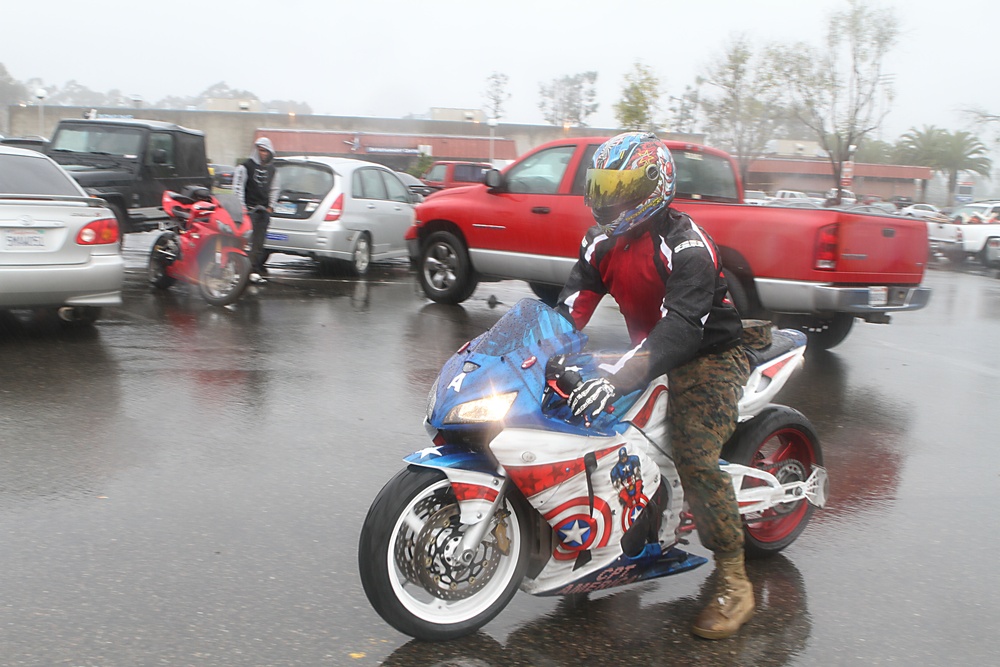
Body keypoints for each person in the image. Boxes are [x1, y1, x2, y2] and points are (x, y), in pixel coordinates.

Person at [555, 132, 753, 640]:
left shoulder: (688, 247)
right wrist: (534, 354)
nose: (605, 199)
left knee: (695, 456)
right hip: (650, 350)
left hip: (709, 355)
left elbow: (682, 328)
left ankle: (733, 576)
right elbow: (570, 308)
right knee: (572, 413)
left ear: (652, 188)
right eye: (600, 186)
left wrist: (617, 376)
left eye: (618, 188)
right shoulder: (599, 241)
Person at [232, 137, 278, 284]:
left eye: (265, 151)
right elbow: (237, 188)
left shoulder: (272, 170)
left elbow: (275, 188)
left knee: (258, 245)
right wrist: (242, 209)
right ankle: (239, 271)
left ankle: (252, 270)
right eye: (260, 150)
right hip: (249, 212)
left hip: (263, 212)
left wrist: (271, 206)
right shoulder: (245, 167)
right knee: (245, 243)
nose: (263, 153)